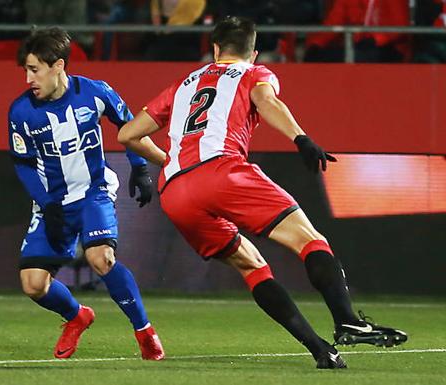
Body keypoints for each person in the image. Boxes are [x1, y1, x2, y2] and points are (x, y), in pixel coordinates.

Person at [118, 16, 407, 369]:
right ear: (253, 53)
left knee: (251, 265)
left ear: (214, 49)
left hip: (175, 190)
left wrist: (173, 163)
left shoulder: (183, 85)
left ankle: (319, 349)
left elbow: (128, 135)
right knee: (309, 239)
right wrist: (300, 138)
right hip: (224, 172)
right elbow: (267, 101)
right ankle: (347, 320)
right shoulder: (253, 73)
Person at [7, 27, 164, 360]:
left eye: (34, 69)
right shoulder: (20, 112)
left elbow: (128, 125)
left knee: (100, 258)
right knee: (33, 284)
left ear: (58, 66)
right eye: (26, 70)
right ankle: (77, 316)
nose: (28, 78)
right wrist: (47, 203)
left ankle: (144, 332)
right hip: (52, 203)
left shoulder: (94, 92)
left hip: (94, 193)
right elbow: (22, 163)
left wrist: (139, 168)